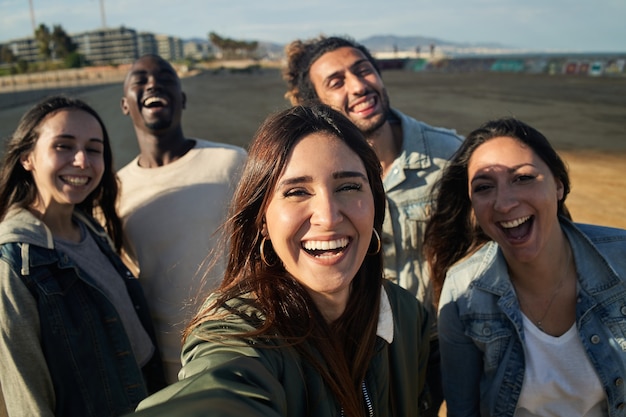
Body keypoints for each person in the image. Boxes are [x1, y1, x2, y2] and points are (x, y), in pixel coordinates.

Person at [130, 104, 430, 416]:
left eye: (348, 186)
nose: (328, 217)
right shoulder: (239, 331)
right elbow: (218, 392)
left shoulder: (406, 316)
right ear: (262, 221)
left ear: (375, 204)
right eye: (297, 192)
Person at [282, 34, 463, 414]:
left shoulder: (450, 158)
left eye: (364, 70)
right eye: (337, 81)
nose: (359, 86)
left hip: (439, 343)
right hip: (356, 347)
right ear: (315, 105)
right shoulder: (302, 178)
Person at [424, 117, 626, 416]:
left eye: (523, 178)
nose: (504, 203)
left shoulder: (621, 258)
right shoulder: (462, 291)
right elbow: (462, 410)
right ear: (473, 208)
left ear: (558, 185)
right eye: (484, 187)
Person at [0, 96, 165, 416]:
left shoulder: (90, 228)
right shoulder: (15, 259)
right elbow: (26, 392)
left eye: (93, 149)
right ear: (27, 158)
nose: (81, 161)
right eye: (63, 146)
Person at [118, 54, 248, 383]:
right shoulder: (114, 190)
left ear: (182, 98)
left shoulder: (231, 162)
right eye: (140, 80)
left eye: (165, 77)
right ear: (125, 104)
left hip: (245, 349)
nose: (153, 83)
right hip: (165, 367)